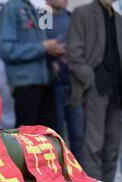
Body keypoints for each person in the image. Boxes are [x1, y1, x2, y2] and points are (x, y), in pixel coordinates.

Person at [67, 0, 122, 182]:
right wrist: (90, 80)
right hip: (95, 89)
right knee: (93, 146)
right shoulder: (82, 13)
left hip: (117, 90)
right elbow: (73, 53)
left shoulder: (119, 19)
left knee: (113, 146)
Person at [0, 0, 65, 130]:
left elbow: (42, 43)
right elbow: (6, 49)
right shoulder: (11, 8)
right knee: (26, 137)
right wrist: (42, 47)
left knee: (48, 137)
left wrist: (53, 55)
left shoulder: (37, 8)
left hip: (46, 82)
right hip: (26, 84)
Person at [45, 0, 84, 161]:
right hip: (53, 86)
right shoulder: (44, 15)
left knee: (79, 134)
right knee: (56, 135)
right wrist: (52, 55)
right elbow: (41, 42)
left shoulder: (71, 17)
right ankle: (59, 175)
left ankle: (79, 175)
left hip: (74, 85)